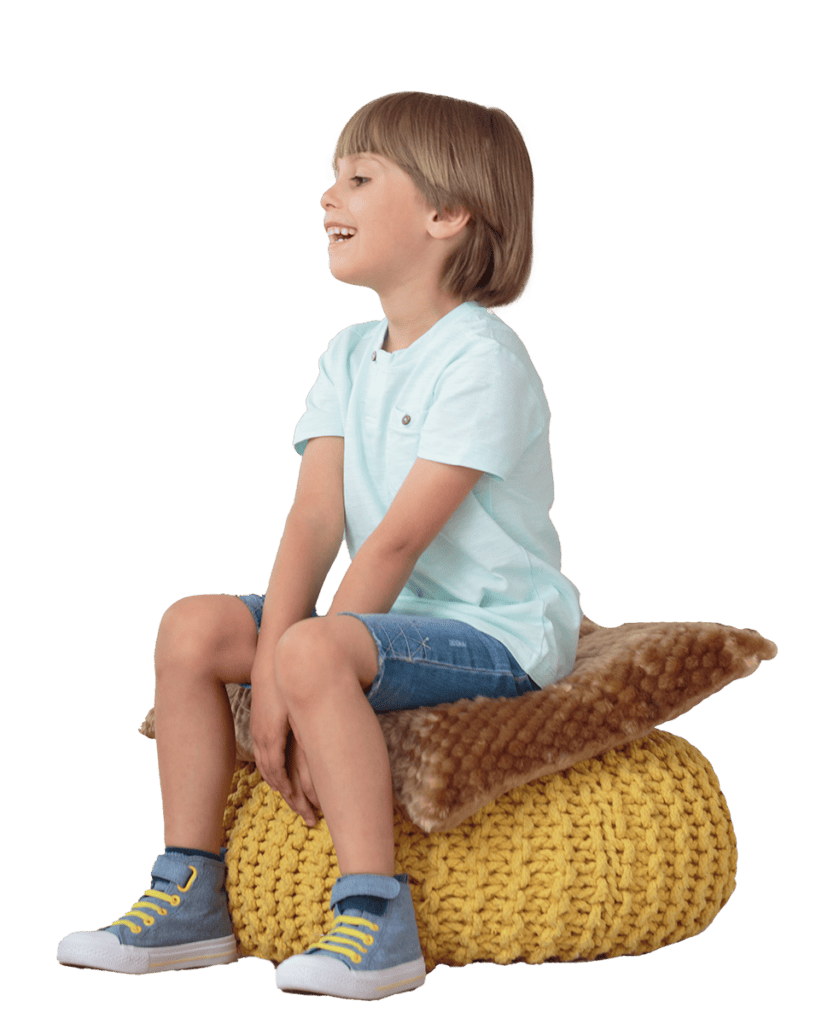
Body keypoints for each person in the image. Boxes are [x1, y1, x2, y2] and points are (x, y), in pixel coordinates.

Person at [56, 90, 582, 1000]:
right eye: (330, 176)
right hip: (402, 618)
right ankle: (191, 892)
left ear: (446, 215)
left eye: (359, 177)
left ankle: (377, 917)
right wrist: (266, 663)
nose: (327, 196)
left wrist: (291, 683)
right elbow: (314, 522)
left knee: (309, 646)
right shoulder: (348, 354)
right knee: (190, 626)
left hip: (494, 630)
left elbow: (397, 540)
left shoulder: (481, 360)